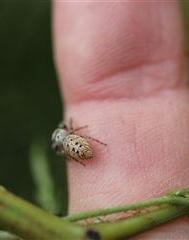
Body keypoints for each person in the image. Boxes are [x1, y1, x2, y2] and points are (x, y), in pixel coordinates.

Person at [53, 1, 189, 239]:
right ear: (65, 133)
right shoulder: (73, 137)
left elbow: (72, 145)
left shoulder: (67, 145)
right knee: (83, 138)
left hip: (79, 147)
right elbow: (79, 134)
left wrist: (82, 158)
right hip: (79, 144)